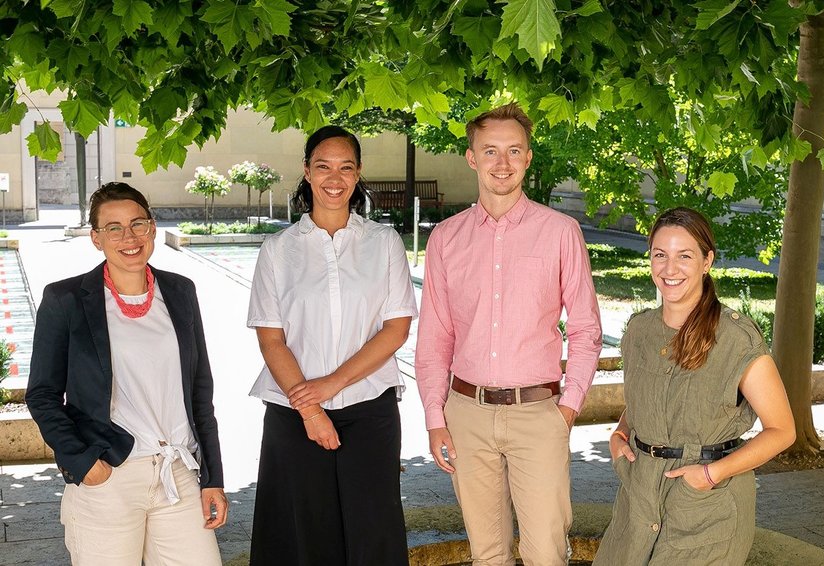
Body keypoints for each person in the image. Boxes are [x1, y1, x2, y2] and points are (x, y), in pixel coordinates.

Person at [415, 103, 603, 565]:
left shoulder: (561, 232)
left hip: (539, 414)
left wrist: (566, 409)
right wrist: (435, 416)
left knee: (545, 553)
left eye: (513, 150)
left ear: (528, 158)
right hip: (466, 415)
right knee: (487, 554)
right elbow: (435, 337)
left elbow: (586, 329)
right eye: (491, 150)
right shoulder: (446, 238)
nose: (503, 162)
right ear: (471, 157)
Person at [26, 182, 228, 565]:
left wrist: (212, 476)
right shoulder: (65, 299)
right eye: (113, 228)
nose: (129, 237)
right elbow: (43, 394)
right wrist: (83, 463)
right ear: (96, 238)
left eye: (138, 224)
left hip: (178, 472)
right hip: (110, 474)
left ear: (152, 228)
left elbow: (200, 389)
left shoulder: (180, 291)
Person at [247, 125, 417, 566]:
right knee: (302, 535)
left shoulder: (383, 243)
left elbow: (396, 329)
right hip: (292, 411)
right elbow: (271, 338)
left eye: (345, 167)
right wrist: (311, 408)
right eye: (323, 166)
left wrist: (330, 386)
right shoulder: (278, 249)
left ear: (358, 174)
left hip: (370, 410)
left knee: (372, 534)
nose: (334, 177)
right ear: (306, 172)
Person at [593, 207, 796, 565]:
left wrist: (709, 474)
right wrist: (620, 432)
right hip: (639, 499)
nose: (669, 269)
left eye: (684, 256)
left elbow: (782, 431)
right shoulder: (638, 331)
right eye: (660, 255)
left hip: (705, 508)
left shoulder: (736, 338)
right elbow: (647, 397)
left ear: (707, 261)